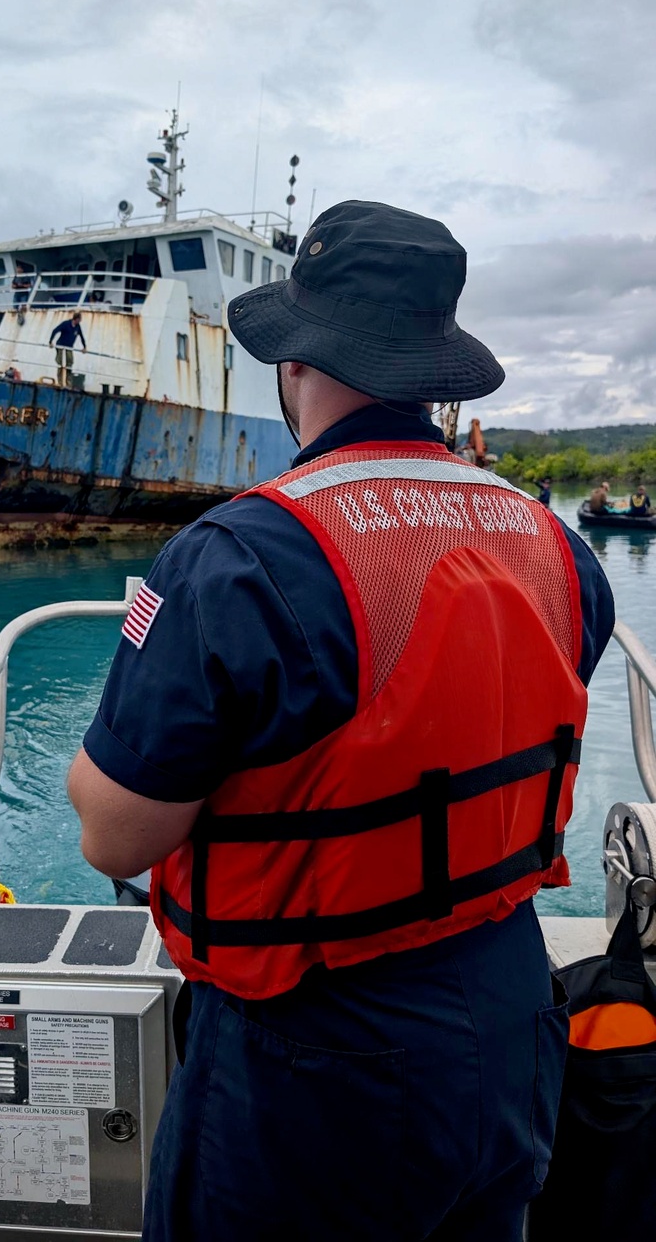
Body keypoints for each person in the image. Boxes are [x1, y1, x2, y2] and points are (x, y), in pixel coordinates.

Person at [67, 200, 615, 1241]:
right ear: (434, 365)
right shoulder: (559, 548)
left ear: (295, 362)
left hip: (312, 1053)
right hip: (507, 1020)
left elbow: (117, 833)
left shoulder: (238, 555)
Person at [49, 312, 86, 388]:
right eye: (79, 319)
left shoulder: (78, 327)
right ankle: (60, 383)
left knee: (69, 364)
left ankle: (68, 383)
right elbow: (55, 330)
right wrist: (50, 341)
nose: (80, 321)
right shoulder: (66, 324)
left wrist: (84, 347)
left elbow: (81, 336)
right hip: (61, 346)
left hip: (69, 347)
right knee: (61, 364)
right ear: (76, 319)